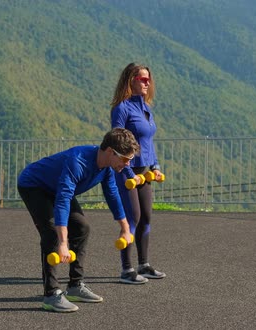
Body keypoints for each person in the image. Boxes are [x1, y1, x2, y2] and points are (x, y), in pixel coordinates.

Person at [17, 128, 139, 313]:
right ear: (109, 152)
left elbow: (112, 194)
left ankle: (75, 285)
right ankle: (51, 294)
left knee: (82, 227)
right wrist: (64, 243)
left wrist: (125, 228)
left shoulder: (106, 168)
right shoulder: (78, 161)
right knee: (51, 234)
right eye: (125, 159)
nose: (127, 164)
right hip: (34, 185)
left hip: (55, 188)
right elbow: (63, 200)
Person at [110, 62, 166, 284]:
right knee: (132, 217)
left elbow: (148, 142)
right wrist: (127, 172)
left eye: (148, 79)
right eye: (142, 79)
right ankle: (126, 269)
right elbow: (116, 141)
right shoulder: (121, 109)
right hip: (127, 172)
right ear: (130, 80)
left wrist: (156, 166)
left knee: (146, 217)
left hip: (145, 171)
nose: (147, 82)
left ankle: (144, 264)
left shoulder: (146, 108)